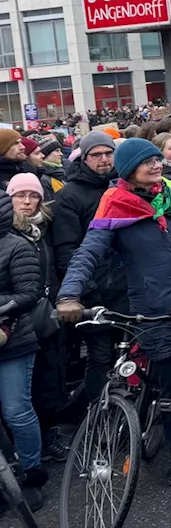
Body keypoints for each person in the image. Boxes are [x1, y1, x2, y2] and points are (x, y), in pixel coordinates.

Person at [56, 138, 171, 487]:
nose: (157, 165)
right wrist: (69, 294)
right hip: (152, 311)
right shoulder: (114, 205)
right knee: (169, 387)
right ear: (129, 170)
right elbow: (87, 252)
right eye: (148, 162)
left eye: (158, 159)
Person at [50, 132, 125, 405]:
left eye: (108, 153)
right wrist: (86, 289)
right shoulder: (70, 194)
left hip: (126, 287)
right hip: (94, 291)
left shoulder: (121, 184)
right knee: (101, 357)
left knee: (128, 353)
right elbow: (67, 248)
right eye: (96, 155)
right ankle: (99, 416)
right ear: (84, 157)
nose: (104, 159)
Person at [8, 174, 66, 465]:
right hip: (18, 319)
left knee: (49, 378)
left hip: (46, 314)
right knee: (22, 389)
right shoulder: (9, 233)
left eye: (34, 196)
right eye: (21, 196)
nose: (28, 202)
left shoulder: (46, 228)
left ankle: (48, 437)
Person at [0, 189, 45, 509]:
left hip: (12, 340)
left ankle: (32, 472)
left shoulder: (16, 245)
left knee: (16, 410)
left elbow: (29, 293)